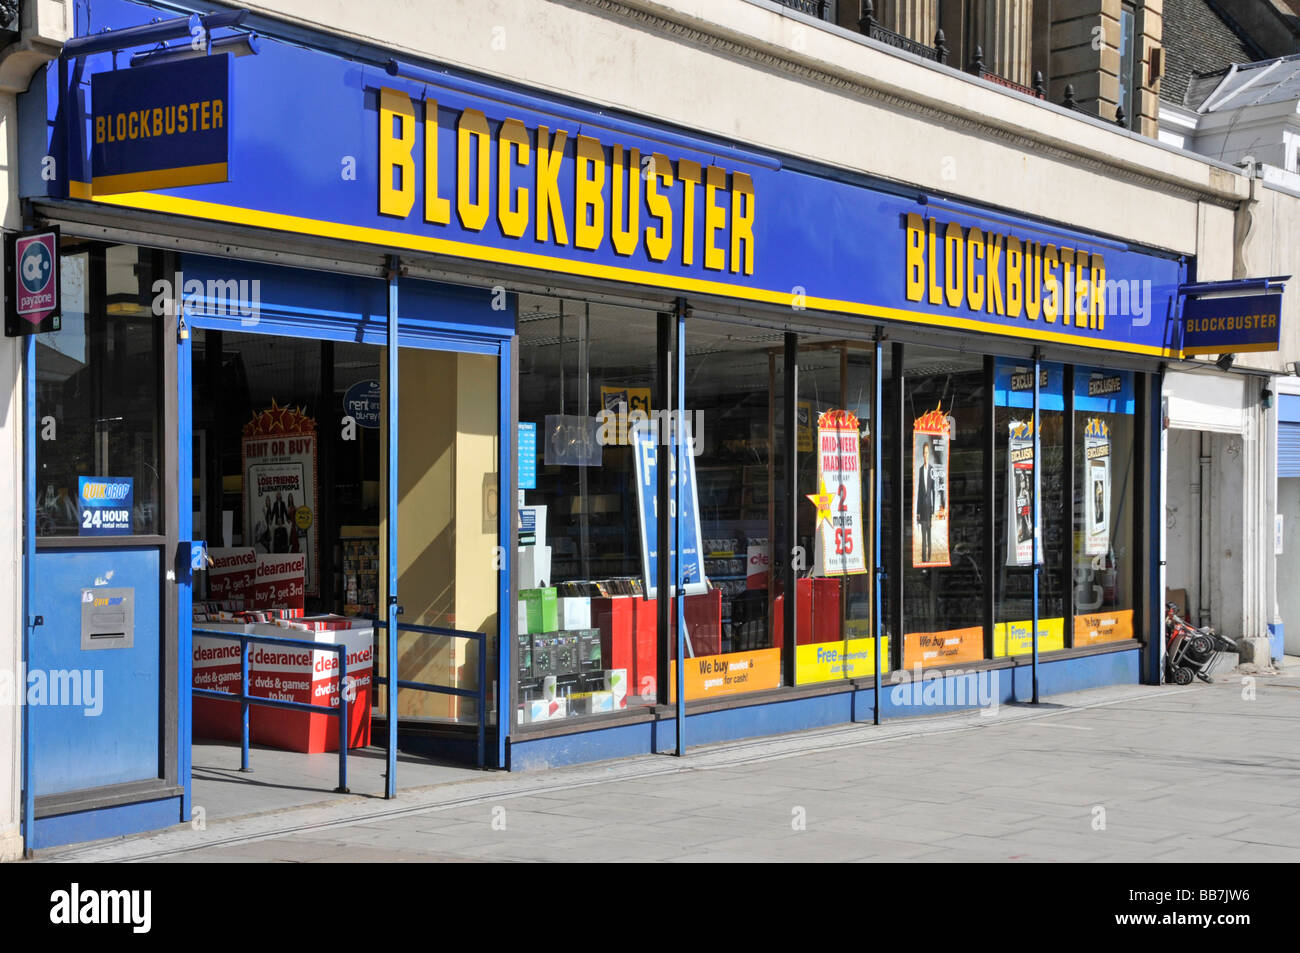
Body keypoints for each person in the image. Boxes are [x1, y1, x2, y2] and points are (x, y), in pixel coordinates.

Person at [916, 439, 935, 564]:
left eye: (927, 452)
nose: (926, 455)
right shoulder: (920, 469)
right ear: (923, 454)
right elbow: (919, 491)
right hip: (922, 509)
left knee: (929, 536)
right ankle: (924, 559)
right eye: (924, 453)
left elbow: (933, 491)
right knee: (923, 536)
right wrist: (917, 511)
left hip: (929, 509)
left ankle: (929, 557)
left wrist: (933, 512)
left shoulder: (932, 470)